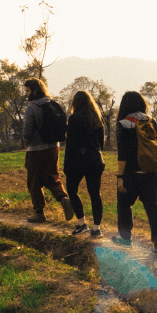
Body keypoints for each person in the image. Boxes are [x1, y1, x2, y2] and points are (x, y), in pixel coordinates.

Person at [113, 91, 157, 256]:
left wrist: (120, 177)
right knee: (153, 208)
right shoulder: (151, 121)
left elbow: (123, 154)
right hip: (151, 173)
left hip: (131, 174)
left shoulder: (123, 124)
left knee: (124, 204)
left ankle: (125, 239)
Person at [21, 77, 75, 223]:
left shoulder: (31, 107)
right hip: (53, 148)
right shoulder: (53, 104)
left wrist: (26, 145)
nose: (26, 94)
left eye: (27, 91)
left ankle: (39, 213)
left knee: (34, 181)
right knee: (51, 177)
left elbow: (26, 133)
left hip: (35, 150)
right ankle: (64, 199)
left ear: (34, 91)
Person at [64, 90, 105, 238]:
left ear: (75, 103)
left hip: (78, 160)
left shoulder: (74, 118)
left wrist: (66, 164)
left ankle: (82, 224)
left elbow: (70, 144)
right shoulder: (97, 118)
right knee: (95, 194)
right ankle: (96, 228)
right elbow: (101, 144)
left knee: (72, 190)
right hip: (95, 160)